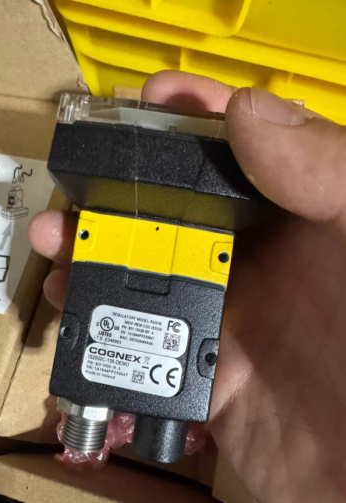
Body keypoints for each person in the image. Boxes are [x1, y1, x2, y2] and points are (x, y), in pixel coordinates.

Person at [28, 71, 346, 503]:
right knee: (158, 422)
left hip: (120, 187)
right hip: (195, 194)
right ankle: (158, 422)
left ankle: (151, 419)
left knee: (155, 415)